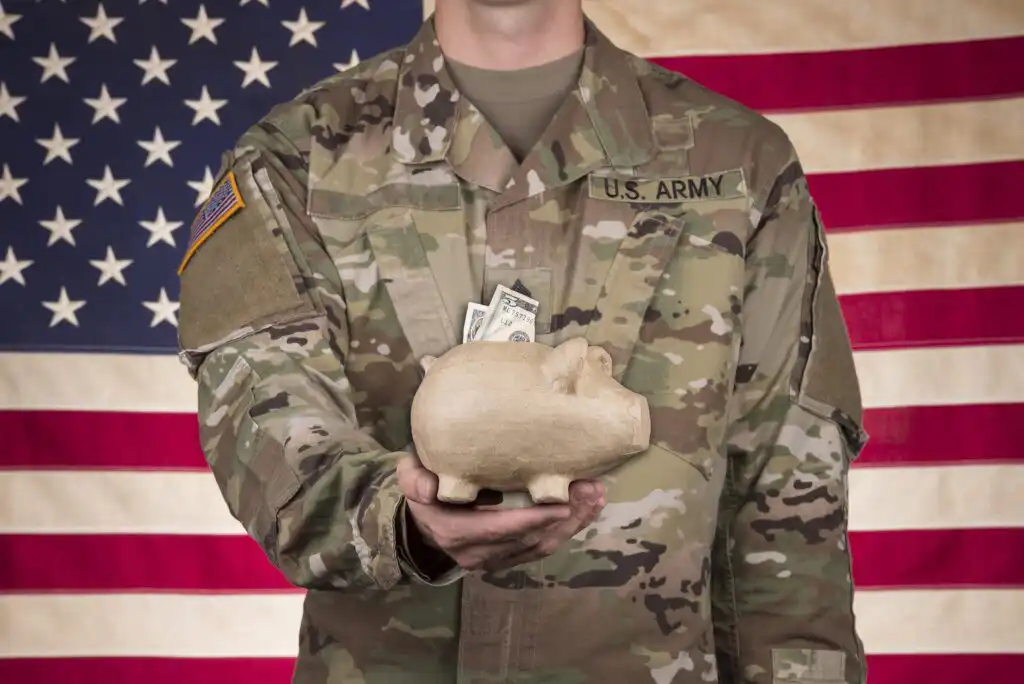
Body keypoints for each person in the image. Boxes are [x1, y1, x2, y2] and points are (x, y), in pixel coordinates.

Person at [176, 0, 869, 682]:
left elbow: (786, 508)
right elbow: (265, 422)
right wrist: (399, 518)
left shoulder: (741, 164)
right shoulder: (295, 161)